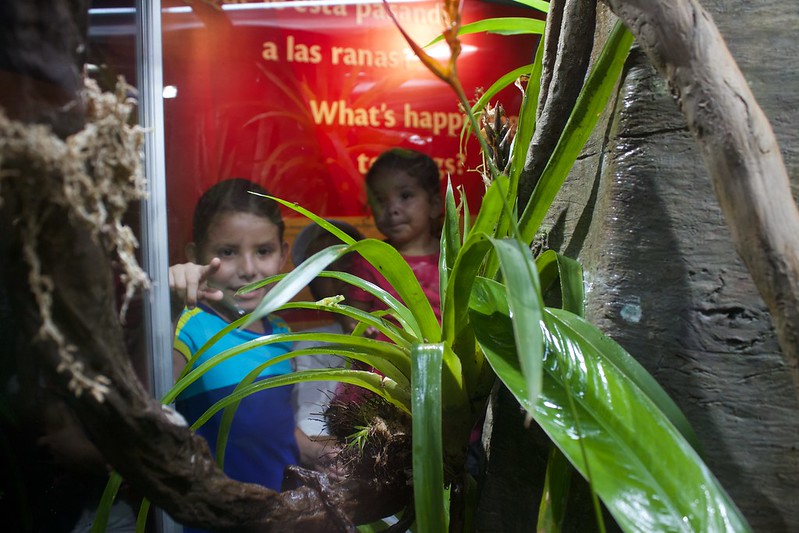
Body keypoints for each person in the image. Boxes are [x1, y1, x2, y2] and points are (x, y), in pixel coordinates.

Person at [168, 178, 299, 500]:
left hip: (283, 515)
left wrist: (322, 452)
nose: (248, 269)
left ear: (282, 255)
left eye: (263, 251)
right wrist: (168, 307)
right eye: (227, 252)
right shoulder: (187, 328)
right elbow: (144, 405)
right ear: (195, 255)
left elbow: (280, 432)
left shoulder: (281, 332)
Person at [347, 147, 442, 331]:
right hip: (384, 359)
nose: (392, 209)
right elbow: (353, 319)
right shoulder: (369, 260)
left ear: (435, 205)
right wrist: (361, 330)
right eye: (381, 200)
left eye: (405, 196)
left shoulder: (453, 258)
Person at [290, 220, 364, 443]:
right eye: (325, 270)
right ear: (313, 289)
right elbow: (310, 419)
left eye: (348, 263)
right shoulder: (311, 346)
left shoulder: (399, 333)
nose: (340, 276)